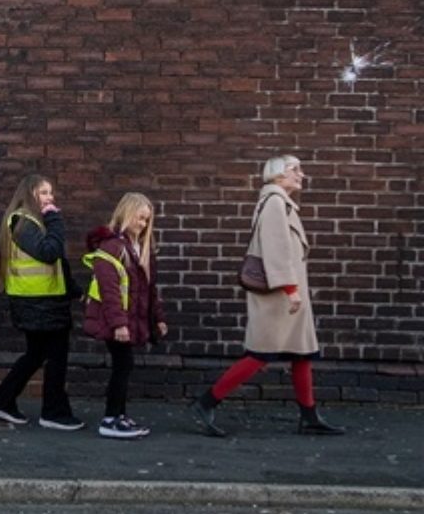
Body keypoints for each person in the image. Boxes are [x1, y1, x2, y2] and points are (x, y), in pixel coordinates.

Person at [190, 155, 343, 438]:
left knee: (302, 353)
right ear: (276, 175)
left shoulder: (280, 202)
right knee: (260, 354)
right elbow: (276, 250)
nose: (301, 174)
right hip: (280, 296)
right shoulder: (274, 203)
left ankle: (309, 416)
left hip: (289, 294)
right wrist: (290, 290)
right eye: (294, 170)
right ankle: (206, 402)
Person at [0, 173, 83, 430]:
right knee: (55, 355)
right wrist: (55, 219)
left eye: (51, 193)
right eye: (43, 193)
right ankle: (53, 412)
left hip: (42, 300)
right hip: (38, 302)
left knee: (37, 354)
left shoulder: (31, 223)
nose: (50, 198)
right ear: (29, 195)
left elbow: (58, 262)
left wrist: (72, 290)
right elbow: (50, 253)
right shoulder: (24, 222)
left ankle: (2, 400)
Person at [83, 192, 167, 440]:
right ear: (125, 214)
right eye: (139, 218)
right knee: (123, 366)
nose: (142, 224)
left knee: (124, 366)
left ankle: (119, 415)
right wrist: (119, 324)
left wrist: (158, 318)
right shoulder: (112, 248)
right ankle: (110, 418)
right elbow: (110, 292)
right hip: (117, 320)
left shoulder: (139, 248)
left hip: (128, 320)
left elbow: (150, 289)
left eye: (146, 220)